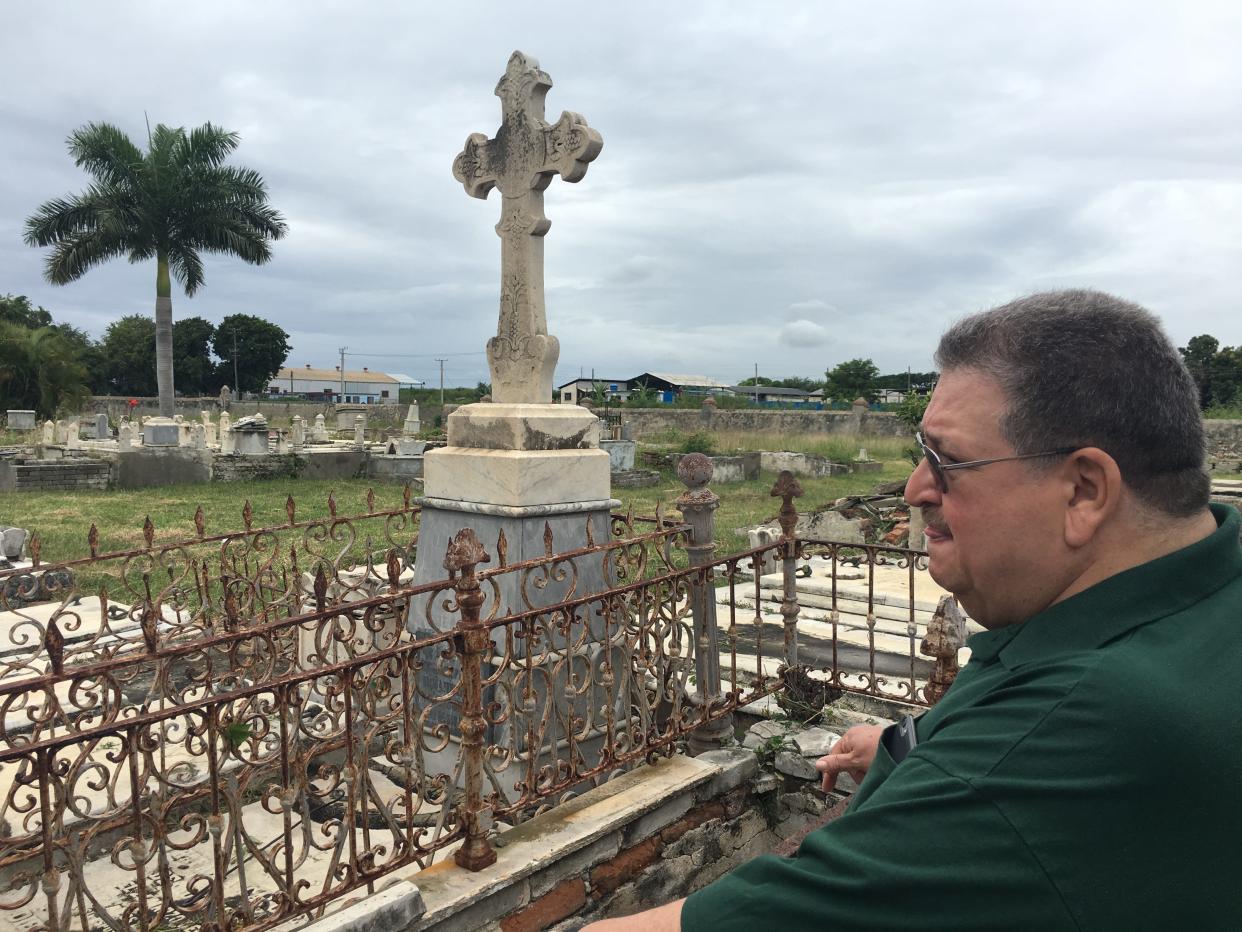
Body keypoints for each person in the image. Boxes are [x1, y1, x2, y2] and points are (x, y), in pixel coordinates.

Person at [583, 290, 1242, 930]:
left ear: (1083, 490)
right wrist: (908, 747)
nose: (914, 488)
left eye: (946, 461)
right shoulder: (1208, 581)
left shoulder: (1067, 730)